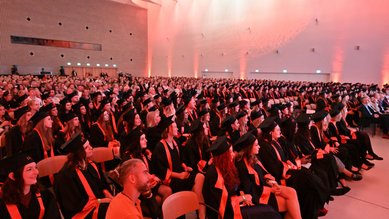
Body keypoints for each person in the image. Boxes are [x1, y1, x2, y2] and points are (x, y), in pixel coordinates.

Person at [203, 136, 282, 219]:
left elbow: (235, 189)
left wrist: (243, 197)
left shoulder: (224, 168)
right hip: (228, 214)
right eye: (230, 152)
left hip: (235, 206)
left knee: (270, 210)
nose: (233, 154)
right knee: (270, 213)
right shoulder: (214, 174)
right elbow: (221, 204)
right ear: (223, 156)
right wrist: (242, 198)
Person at [234, 133, 302, 219]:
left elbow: (262, 175)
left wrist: (271, 183)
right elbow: (249, 189)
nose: (259, 146)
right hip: (258, 196)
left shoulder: (253, 158)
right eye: (256, 145)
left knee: (292, 192)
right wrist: (270, 190)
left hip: (265, 189)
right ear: (249, 148)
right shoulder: (241, 165)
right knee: (289, 204)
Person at [151, 116, 206, 219]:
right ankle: (199, 211)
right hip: (170, 179)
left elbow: (181, 160)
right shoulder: (160, 147)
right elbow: (161, 170)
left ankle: (201, 213)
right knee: (195, 187)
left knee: (200, 177)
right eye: (175, 127)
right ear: (168, 129)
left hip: (181, 174)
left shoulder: (176, 142)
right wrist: (179, 175)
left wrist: (185, 167)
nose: (177, 129)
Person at [54, 133, 113, 219]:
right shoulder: (65, 176)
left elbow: (103, 185)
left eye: (89, 145)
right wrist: (100, 201)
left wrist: (107, 193)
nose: (91, 148)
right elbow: (73, 206)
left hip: (98, 205)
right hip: (82, 213)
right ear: (78, 152)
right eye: (86, 147)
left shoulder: (91, 165)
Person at [0, 153, 61, 218]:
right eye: (29, 169)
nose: (36, 172)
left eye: (36, 167)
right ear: (13, 176)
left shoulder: (45, 195)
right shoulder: (2, 204)